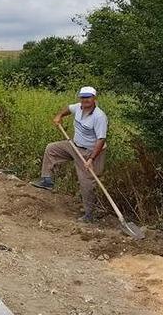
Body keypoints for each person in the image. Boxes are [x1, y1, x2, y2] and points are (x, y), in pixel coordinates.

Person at [31, 86, 108, 223]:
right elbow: (68, 108)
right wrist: (59, 116)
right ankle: (47, 180)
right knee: (51, 149)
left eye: (88, 97)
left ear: (94, 98)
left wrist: (91, 159)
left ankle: (89, 215)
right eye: (83, 97)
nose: (85, 100)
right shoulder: (78, 107)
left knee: (87, 184)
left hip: (90, 152)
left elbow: (101, 140)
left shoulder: (99, 117)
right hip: (74, 146)